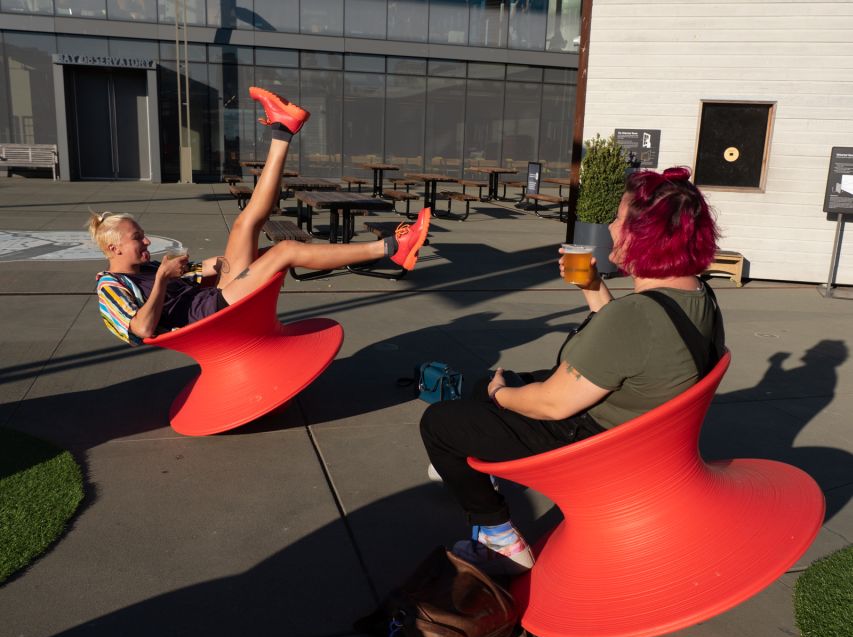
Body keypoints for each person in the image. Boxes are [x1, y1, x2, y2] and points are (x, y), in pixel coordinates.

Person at [420, 166, 724, 576]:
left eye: (619, 219)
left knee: (441, 422)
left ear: (644, 234)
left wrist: (499, 394)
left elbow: (551, 405)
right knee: (490, 390)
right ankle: (473, 469)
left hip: (594, 442)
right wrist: (593, 285)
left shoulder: (635, 317)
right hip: (642, 434)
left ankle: (498, 537)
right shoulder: (698, 297)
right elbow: (635, 345)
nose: (611, 227)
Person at [90, 87, 431, 346]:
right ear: (114, 248)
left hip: (213, 297)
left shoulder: (147, 268)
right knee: (284, 250)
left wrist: (220, 262)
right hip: (209, 315)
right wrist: (164, 279)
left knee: (246, 226)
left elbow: (204, 271)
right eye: (138, 238)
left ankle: (283, 131)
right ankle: (390, 249)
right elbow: (141, 330)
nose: (146, 240)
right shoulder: (111, 287)